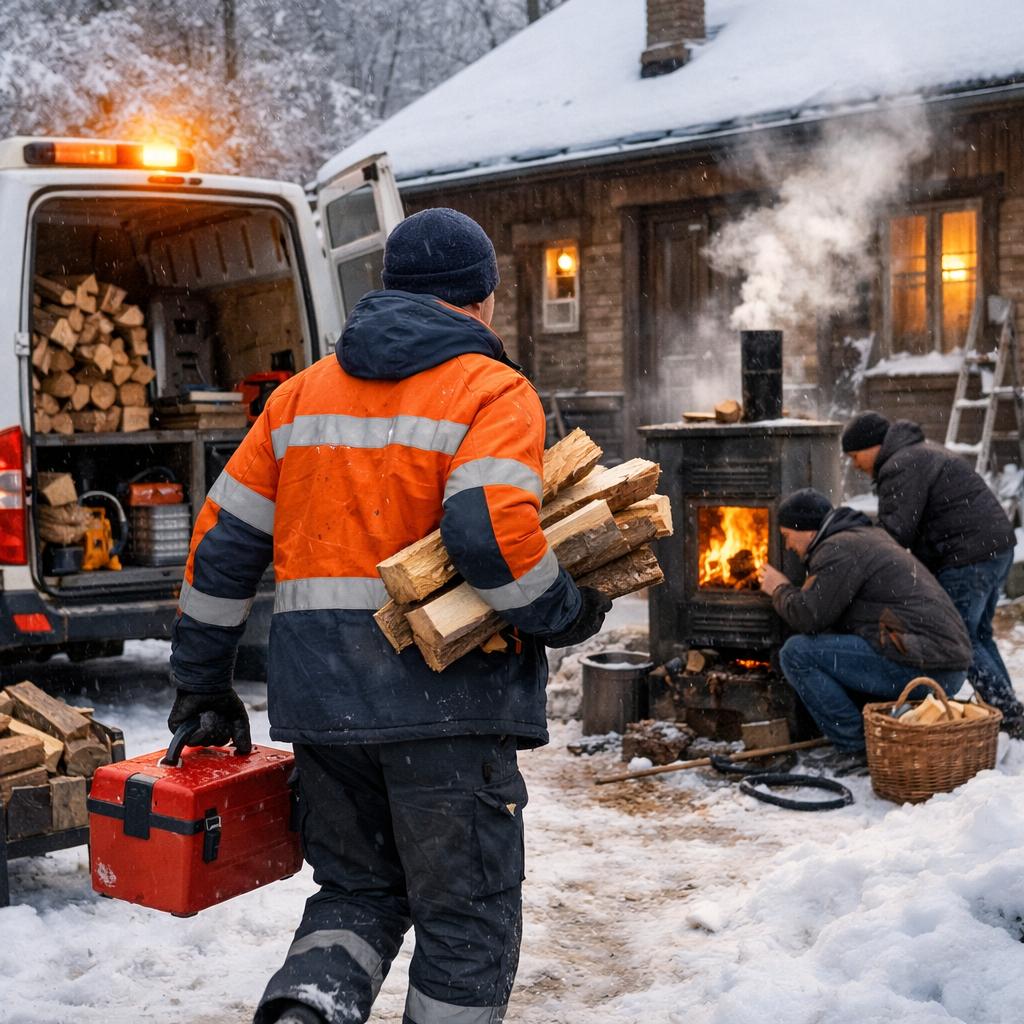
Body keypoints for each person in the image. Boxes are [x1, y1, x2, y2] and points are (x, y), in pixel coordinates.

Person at [166, 208, 611, 1024]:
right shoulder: (492, 391)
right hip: (447, 707)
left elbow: (221, 546)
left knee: (357, 892)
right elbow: (488, 533)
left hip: (323, 709)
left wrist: (202, 684)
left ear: (390, 288)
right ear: (482, 298)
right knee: (465, 919)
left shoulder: (298, 399)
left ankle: (304, 1013)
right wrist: (566, 610)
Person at [758, 488, 972, 775]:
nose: (786, 546)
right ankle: (861, 736)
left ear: (807, 530)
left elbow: (810, 617)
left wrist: (780, 588)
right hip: (939, 663)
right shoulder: (861, 538)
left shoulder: (839, 549)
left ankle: (854, 747)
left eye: (787, 536)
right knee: (820, 649)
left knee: (796, 654)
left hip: (927, 666)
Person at [842, 411, 1023, 733]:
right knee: (979, 635)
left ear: (873, 445)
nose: (854, 464)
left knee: (958, 641)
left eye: (855, 455)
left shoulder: (900, 465)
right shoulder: (919, 451)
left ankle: (1008, 716)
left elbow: (895, 532)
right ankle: (1006, 712)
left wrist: (861, 551)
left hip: (967, 556)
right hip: (994, 547)